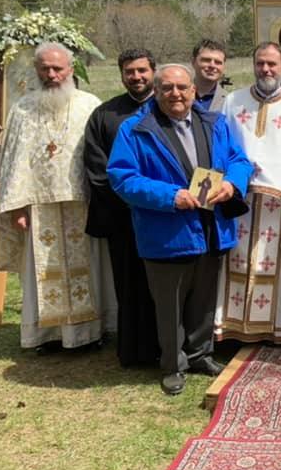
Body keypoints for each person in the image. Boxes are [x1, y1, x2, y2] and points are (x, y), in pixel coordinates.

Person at [108, 64, 252, 395]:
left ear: (193, 91)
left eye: (182, 88)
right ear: (156, 91)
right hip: (167, 231)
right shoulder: (136, 129)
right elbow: (123, 178)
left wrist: (232, 184)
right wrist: (171, 197)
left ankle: (201, 354)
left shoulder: (214, 122)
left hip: (211, 226)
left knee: (203, 299)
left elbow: (240, 161)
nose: (176, 94)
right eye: (168, 88)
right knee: (169, 304)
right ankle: (173, 364)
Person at [0, 43, 106, 352]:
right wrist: (16, 206)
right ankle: (47, 336)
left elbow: (99, 157)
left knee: (89, 269)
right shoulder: (23, 107)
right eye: (45, 68)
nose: (52, 74)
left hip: (80, 203)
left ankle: (88, 334)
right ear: (37, 70)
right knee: (41, 272)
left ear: (71, 69)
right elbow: (13, 160)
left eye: (58, 68)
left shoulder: (89, 105)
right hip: (37, 207)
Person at [214, 42, 281, 343]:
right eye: (260, 63)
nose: (265, 69)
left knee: (272, 262)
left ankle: (273, 327)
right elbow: (221, 147)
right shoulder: (233, 101)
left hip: (277, 201)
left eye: (271, 64)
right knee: (235, 259)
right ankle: (230, 326)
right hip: (238, 197)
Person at [84, 47, 160, 366]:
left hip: (165, 218)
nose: (137, 76)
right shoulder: (105, 115)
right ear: (121, 75)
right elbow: (97, 169)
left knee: (165, 287)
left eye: (142, 70)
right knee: (130, 286)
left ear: (153, 71)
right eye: (130, 71)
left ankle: (169, 348)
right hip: (124, 219)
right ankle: (134, 351)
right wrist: (133, 202)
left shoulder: (171, 107)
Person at [191, 38, 228, 112]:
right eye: (206, 60)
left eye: (218, 62)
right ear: (193, 62)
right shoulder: (177, 96)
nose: (212, 66)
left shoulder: (230, 101)